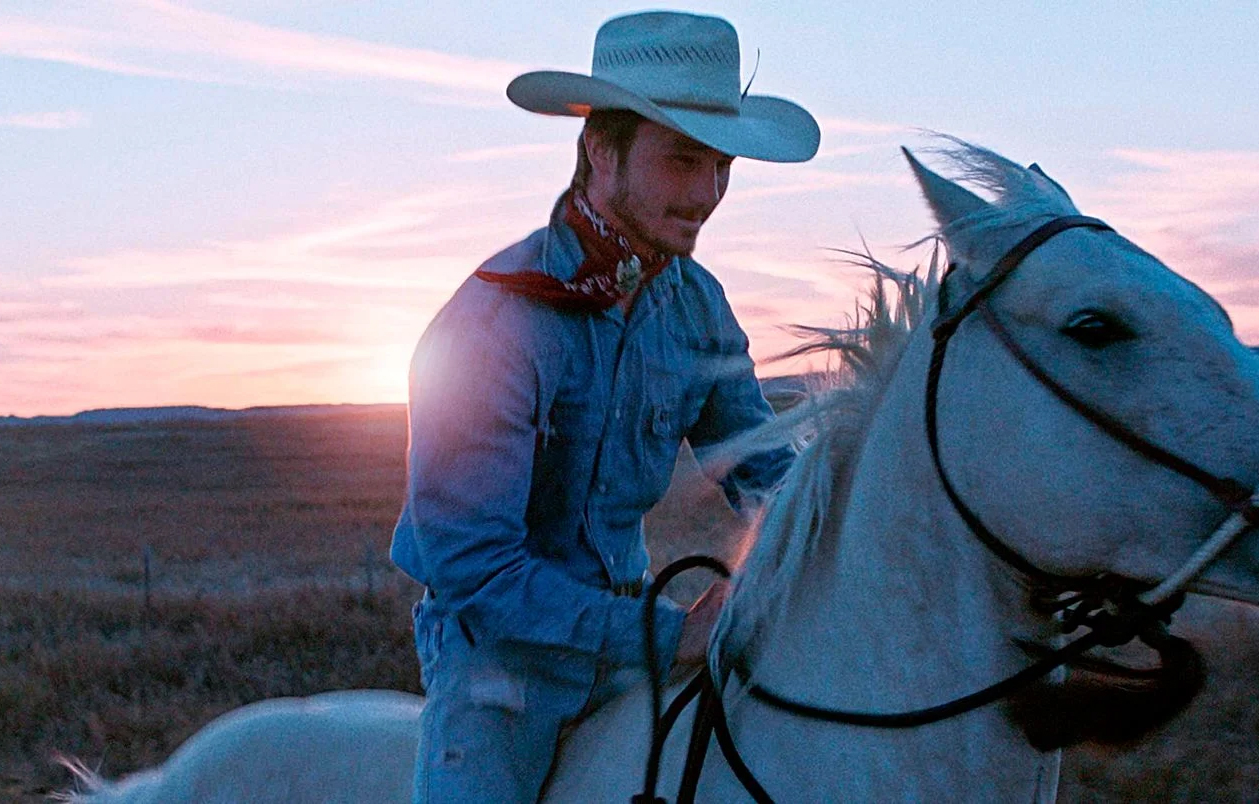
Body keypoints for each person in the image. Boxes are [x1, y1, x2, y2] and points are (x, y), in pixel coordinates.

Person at [390, 10, 819, 803]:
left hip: (633, 648)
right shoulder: (494, 324)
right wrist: (669, 635)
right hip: (500, 669)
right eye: (681, 161)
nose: (705, 195)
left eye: (720, 165)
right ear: (599, 150)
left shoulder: (694, 306)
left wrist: (835, 539)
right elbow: (476, 573)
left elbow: (760, 462)